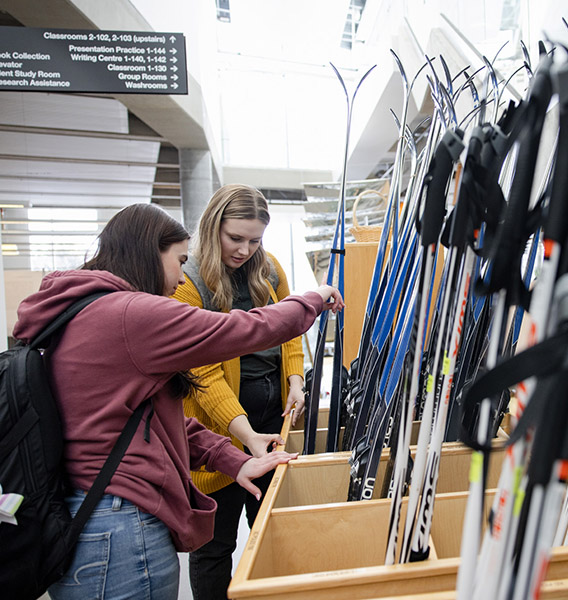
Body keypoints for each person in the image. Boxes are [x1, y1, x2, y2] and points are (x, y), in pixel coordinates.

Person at [12, 203, 344, 600]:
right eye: (179, 260)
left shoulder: (79, 310)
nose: (179, 277)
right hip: (121, 525)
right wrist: (314, 298)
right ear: (151, 252)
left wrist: (232, 459)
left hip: (89, 517)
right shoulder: (129, 314)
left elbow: (148, 420)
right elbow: (242, 329)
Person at [170, 184, 318, 599]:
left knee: (271, 529)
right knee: (215, 548)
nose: (244, 249)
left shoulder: (267, 267)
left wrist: (295, 379)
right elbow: (203, 373)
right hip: (217, 434)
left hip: (272, 423)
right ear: (213, 226)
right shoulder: (189, 281)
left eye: (255, 240)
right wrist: (244, 436)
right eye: (235, 238)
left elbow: (291, 325)